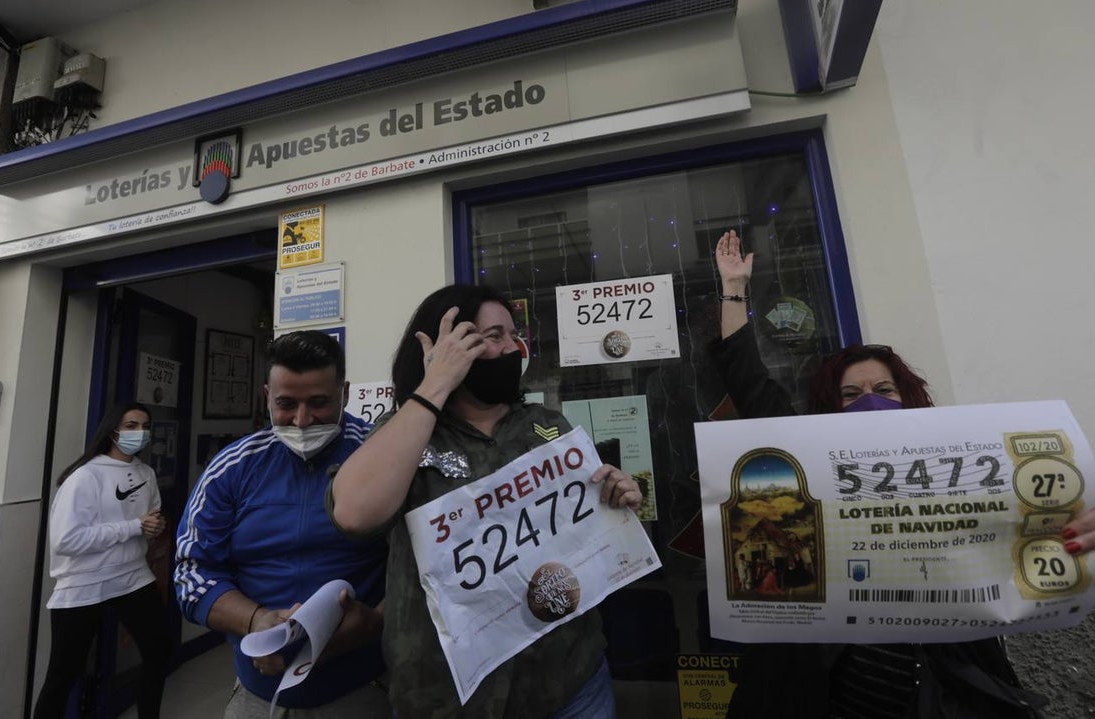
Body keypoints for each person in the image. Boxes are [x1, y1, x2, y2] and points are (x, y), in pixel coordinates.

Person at [710, 230, 1095, 718]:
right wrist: (734, 288)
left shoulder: (965, 470)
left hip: (946, 691)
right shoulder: (807, 461)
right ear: (828, 407)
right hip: (823, 693)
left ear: (908, 395)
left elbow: (1040, 560)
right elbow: (750, 382)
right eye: (850, 394)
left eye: (884, 387)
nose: (871, 399)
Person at [328, 283, 643, 719]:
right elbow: (354, 513)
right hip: (450, 696)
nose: (511, 347)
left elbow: (585, 526)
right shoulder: (404, 432)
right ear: (447, 345)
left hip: (568, 679)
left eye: (513, 335)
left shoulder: (546, 424)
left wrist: (617, 496)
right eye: (493, 336)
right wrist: (435, 384)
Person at [174, 330, 389, 718]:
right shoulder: (231, 469)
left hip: (362, 690)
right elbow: (192, 571)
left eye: (319, 403)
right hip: (258, 696)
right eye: (286, 404)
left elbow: (427, 567)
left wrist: (374, 621)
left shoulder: (383, 456)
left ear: (345, 394)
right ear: (266, 397)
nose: (303, 421)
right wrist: (256, 621)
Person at [34, 402, 171, 719]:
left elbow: (147, 525)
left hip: (133, 576)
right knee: (63, 673)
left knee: (159, 650)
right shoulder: (85, 476)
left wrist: (152, 527)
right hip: (84, 581)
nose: (140, 433)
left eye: (145, 426)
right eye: (132, 425)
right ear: (112, 431)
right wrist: (133, 527)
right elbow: (66, 540)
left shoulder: (146, 474)